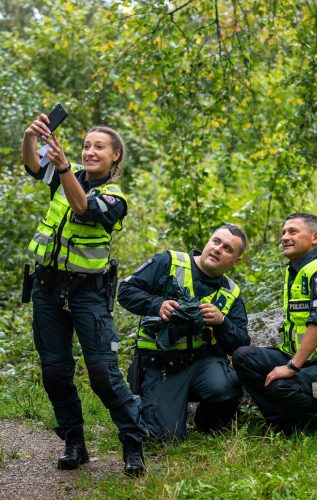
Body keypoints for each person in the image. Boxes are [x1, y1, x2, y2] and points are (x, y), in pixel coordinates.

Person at [22, 112, 147, 476]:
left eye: (99, 147)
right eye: (87, 145)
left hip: (87, 295)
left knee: (103, 374)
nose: (90, 152)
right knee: (55, 372)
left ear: (115, 156)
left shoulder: (115, 198)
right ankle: (74, 442)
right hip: (47, 289)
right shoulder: (68, 171)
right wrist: (31, 136)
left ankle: (132, 443)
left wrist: (63, 169)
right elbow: (32, 164)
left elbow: (82, 207)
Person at [232, 213, 317, 435]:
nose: (284, 237)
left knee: (281, 385)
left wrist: (291, 367)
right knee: (244, 357)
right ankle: (285, 423)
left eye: (293, 231)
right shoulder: (296, 273)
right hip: (308, 363)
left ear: (315, 237)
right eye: (283, 232)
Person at [118, 224, 250, 441]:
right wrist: (157, 305)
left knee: (226, 390)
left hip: (203, 364)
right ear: (208, 242)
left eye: (227, 248)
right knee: (164, 437)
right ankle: (149, 404)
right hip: (162, 363)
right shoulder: (170, 262)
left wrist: (221, 321)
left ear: (236, 261)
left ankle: (204, 423)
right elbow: (125, 291)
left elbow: (242, 342)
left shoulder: (231, 292)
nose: (218, 249)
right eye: (216, 241)